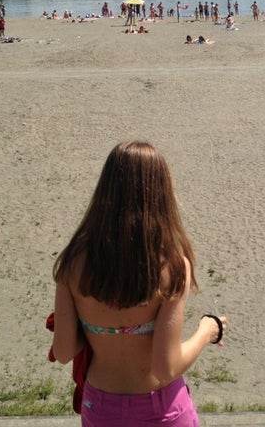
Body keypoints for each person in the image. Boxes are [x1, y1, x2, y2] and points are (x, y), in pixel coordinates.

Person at [51, 141, 227, 426]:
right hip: (160, 408)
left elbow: (62, 352)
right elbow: (166, 367)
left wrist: (97, 329)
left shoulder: (72, 262)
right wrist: (207, 331)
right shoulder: (172, 266)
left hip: (101, 407)